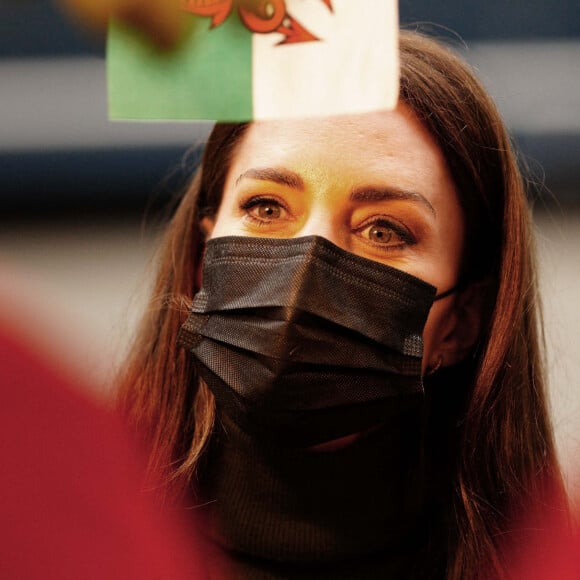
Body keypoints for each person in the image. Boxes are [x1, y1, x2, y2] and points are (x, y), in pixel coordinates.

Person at [117, 30, 568, 579]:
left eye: (383, 230)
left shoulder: (547, 564)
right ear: (199, 260)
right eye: (265, 207)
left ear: (461, 322)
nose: (307, 267)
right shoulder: (55, 532)